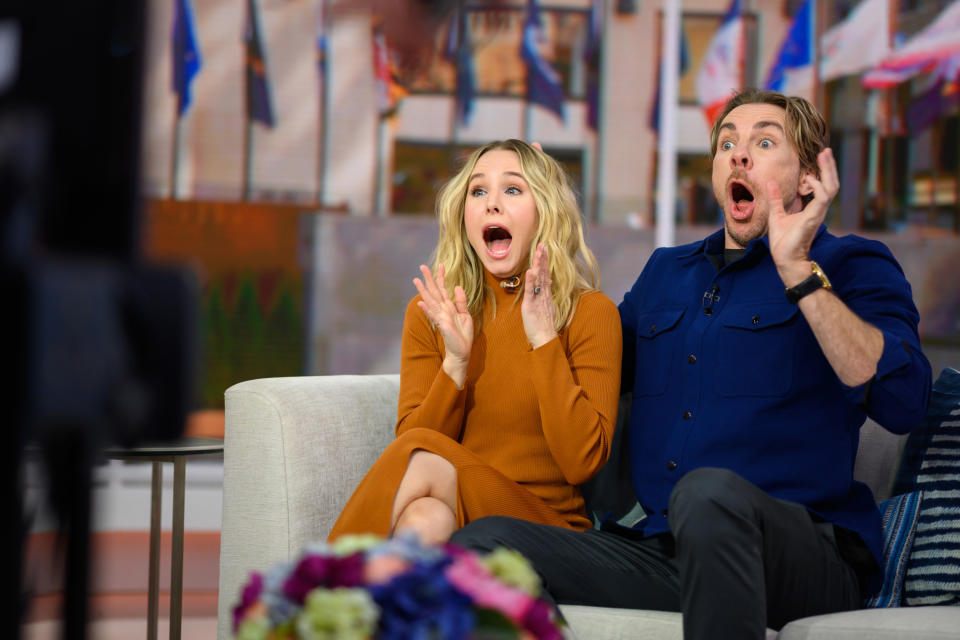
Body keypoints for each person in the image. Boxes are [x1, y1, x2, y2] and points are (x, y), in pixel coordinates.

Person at [450, 89, 933, 639]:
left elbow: (904, 400)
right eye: (727, 143)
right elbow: (585, 379)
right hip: (664, 549)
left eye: (764, 141)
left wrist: (797, 270)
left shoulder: (850, 265)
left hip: (803, 554)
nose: (738, 154)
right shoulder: (666, 273)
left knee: (708, 496)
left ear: (808, 177)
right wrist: (536, 205)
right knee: (483, 545)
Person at [329, 139, 622, 546]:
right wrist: (455, 363)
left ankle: (315, 586)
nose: (492, 204)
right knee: (425, 517)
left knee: (420, 456)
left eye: (513, 189)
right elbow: (419, 442)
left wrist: (543, 339)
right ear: (463, 213)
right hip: (460, 509)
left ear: (546, 212)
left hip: (548, 525)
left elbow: (582, 463)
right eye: (478, 191)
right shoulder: (433, 312)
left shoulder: (590, 312)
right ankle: (376, 605)